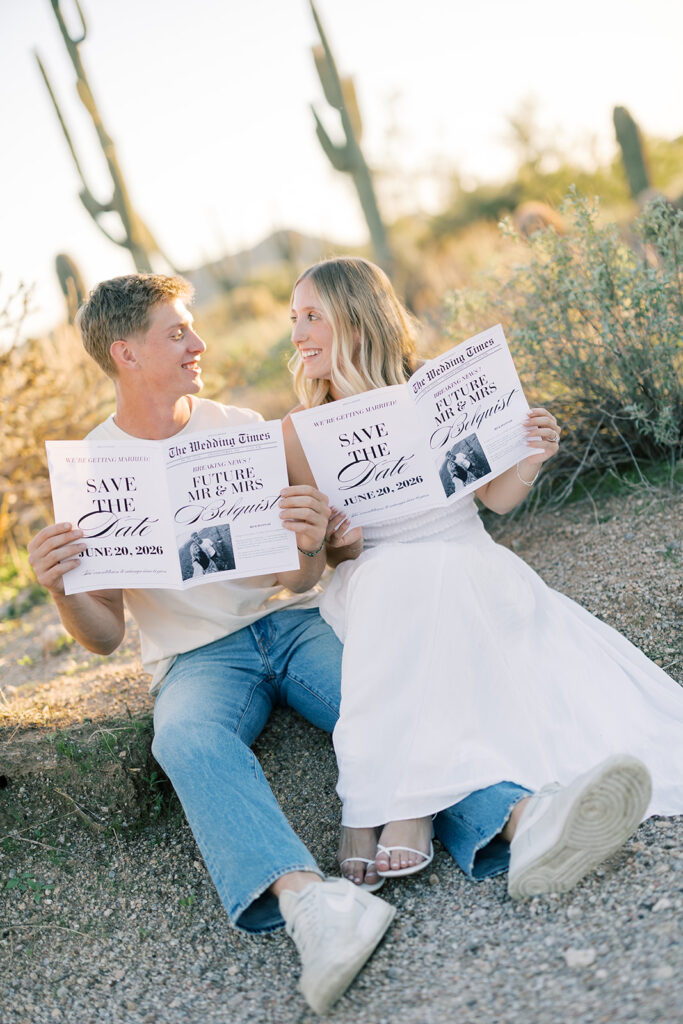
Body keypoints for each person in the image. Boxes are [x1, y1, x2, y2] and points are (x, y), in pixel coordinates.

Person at [27, 273, 397, 1017]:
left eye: (192, 327)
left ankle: (511, 813)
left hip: (287, 625)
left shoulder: (238, 427)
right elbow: (104, 639)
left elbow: (297, 578)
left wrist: (308, 541)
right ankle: (310, 903)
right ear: (126, 353)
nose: (198, 343)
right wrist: (62, 591)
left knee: (379, 689)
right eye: (177, 333)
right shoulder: (91, 468)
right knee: (184, 740)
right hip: (196, 661)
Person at [283, 255, 683, 895]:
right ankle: (416, 808)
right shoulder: (300, 429)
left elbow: (495, 500)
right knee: (397, 578)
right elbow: (332, 559)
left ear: (356, 320)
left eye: (312, 317)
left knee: (435, 574)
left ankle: (390, 807)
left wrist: (532, 455)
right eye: (293, 318)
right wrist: (339, 542)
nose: (298, 334)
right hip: (373, 578)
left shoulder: (433, 388)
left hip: (468, 558)